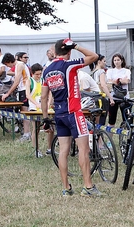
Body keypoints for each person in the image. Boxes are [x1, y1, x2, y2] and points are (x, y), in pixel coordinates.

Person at [40, 38, 102, 197]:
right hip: (74, 112)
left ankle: (66, 188)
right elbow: (94, 56)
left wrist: (46, 118)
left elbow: (44, 97)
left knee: (63, 151)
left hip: (59, 114)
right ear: (68, 51)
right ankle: (88, 187)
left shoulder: (47, 70)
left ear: (54, 51)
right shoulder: (68, 65)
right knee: (84, 149)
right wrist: (76, 46)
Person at [1, 52, 32, 142]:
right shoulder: (19, 65)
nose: (8, 67)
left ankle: (27, 134)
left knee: (24, 112)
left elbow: (17, 81)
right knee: (23, 112)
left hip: (25, 89)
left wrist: (7, 93)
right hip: (22, 89)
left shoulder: (19, 65)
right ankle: (26, 132)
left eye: (7, 64)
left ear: (9, 61)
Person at [25, 63, 54, 157]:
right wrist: (36, 104)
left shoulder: (43, 80)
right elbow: (28, 95)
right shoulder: (29, 81)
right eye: (36, 74)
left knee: (50, 127)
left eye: (40, 74)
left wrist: (49, 103)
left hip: (45, 107)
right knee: (36, 129)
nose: (38, 76)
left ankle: (50, 148)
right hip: (34, 108)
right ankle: (36, 149)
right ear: (32, 73)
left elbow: (49, 93)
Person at [106, 53, 131, 128]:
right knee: (111, 120)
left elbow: (126, 81)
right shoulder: (110, 71)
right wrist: (120, 80)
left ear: (122, 61)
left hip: (125, 97)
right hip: (113, 97)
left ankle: (128, 138)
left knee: (127, 120)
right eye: (115, 60)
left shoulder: (126, 71)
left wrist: (117, 80)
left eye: (118, 60)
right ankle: (110, 138)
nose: (116, 62)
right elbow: (109, 81)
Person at [89, 54, 115, 126]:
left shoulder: (92, 72)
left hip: (92, 98)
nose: (105, 63)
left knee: (94, 122)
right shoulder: (101, 71)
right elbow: (103, 85)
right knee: (101, 122)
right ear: (99, 62)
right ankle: (99, 136)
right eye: (104, 61)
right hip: (101, 98)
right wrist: (111, 98)